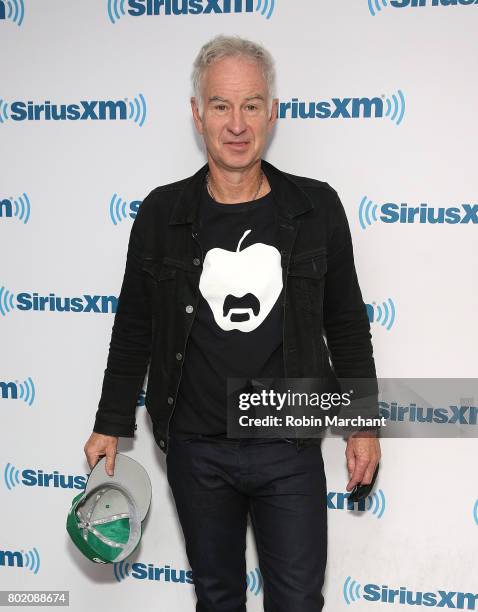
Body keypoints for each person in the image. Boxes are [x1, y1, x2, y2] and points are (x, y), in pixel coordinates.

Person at [84, 34, 381, 612]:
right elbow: (133, 329)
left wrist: (363, 423)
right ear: (198, 114)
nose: (237, 123)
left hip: (289, 444)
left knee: (297, 601)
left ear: (273, 111)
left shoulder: (315, 207)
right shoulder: (161, 214)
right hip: (197, 448)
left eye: (251, 105)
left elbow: (345, 324)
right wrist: (109, 422)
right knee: (217, 598)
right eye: (221, 105)